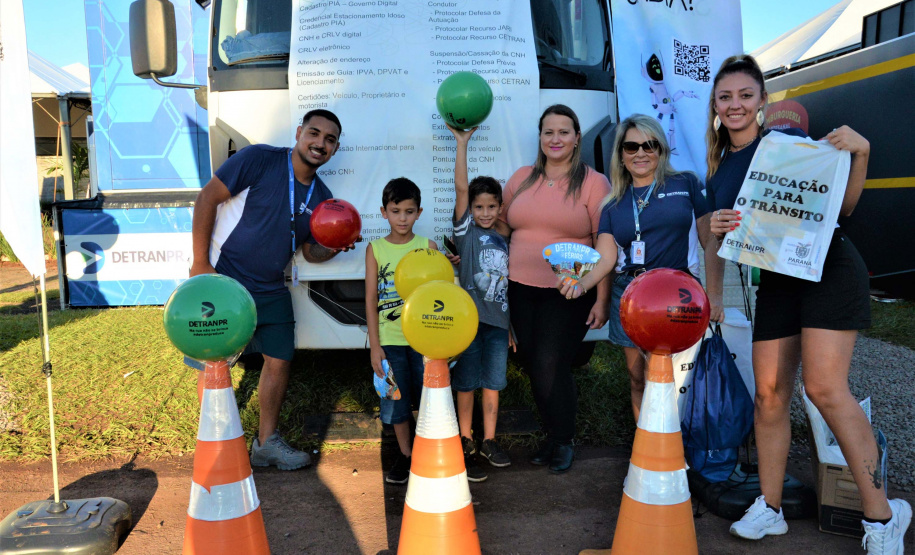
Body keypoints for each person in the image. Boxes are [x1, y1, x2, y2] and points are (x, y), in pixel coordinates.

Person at [703, 55, 911, 552]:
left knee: (824, 388)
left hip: (829, 273)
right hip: (777, 283)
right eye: (725, 96)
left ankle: (883, 518)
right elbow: (717, 240)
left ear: (762, 102)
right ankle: (770, 509)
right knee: (769, 394)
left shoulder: (788, 146)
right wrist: (713, 290)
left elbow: (844, 209)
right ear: (715, 105)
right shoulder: (720, 167)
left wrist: (860, 155)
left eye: (745, 96)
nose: (735, 105)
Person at [190, 109, 355, 470]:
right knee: (215, 363)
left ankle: (266, 444)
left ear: (335, 148)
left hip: (271, 287)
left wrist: (335, 244)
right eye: (314, 133)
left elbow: (310, 251)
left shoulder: (323, 195)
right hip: (226, 279)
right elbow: (207, 198)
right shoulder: (259, 158)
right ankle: (216, 445)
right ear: (299, 133)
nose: (320, 143)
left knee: (280, 359)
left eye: (329, 140)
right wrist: (200, 264)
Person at [558, 114, 714, 421]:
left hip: (677, 298)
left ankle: (677, 444)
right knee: (638, 378)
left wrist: (716, 294)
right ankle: (647, 446)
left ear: (661, 149)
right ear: (621, 154)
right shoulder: (613, 204)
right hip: (630, 298)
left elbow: (712, 241)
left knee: (675, 378)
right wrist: (580, 284)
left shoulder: (686, 184)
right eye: (631, 147)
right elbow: (605, 257)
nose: (640, 153)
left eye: (649, 145)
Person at [502, 104, 610, 474]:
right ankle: (551, 435)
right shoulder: (521, 179)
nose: (556, 139)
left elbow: (605, 243)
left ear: (577, 137)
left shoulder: (595, 183)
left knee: (551, 364)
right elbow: (502, 229)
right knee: (534, 364)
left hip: (569, 292)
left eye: (564, 132)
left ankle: (563, 438)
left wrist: (603, 300)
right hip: (518, 287)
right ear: (540, 137)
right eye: (548, 132)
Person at [445, 124, 513, 483]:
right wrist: (462, 143)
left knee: (493, 382)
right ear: (470, 209)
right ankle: (465, 439)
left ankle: (488, 440)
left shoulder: (505, 238)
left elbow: (507, 286)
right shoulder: (466, 233)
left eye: (491, 206)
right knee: (467, 382)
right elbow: (460, 187)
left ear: (500, 206)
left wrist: (512, 326)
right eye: (478, 206)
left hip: (499, 326)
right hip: (468, 323)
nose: (485, 212)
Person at [364, 178, 437, 485]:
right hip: (389, 343)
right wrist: (374, 347)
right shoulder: (375, 249)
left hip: (424, 342)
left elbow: (439, 294)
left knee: (428, 401)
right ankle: (406, 456)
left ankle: (429, 454)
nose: (403, 218)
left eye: (409, 211)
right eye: (396, 211)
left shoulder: (428, 247)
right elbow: (370, 299)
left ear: (419, 212)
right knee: (396, 401)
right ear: (384, 212)